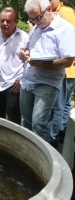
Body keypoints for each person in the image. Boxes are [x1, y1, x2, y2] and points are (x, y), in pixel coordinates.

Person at [19, 0, 75, 142]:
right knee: (27, 121)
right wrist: (24, 54)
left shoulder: (65, 29)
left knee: (39, 123)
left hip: (47, 82)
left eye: (38, 17)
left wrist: (42, 64)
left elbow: (68, 60)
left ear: (49, 9)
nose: (35, 22)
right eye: (32, 19)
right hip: (28, 80)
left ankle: (43, 158)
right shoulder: (36, 29)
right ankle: (28, 153)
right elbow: (28, 48)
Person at [0, 7, 29, 125]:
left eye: (8, 21)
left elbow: (28, 62)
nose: (4, 24)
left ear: (16, 22)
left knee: (13, 116)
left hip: (13, 84)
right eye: (2, 20)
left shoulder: (24, 37)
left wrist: (22, 80)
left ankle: (15, 142)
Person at [49, 0, 75, 148]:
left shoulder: (64, 12)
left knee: (58, 106)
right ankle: (61, 135)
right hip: (70, 69)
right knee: (65, 105)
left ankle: (52, 139)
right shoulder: (68, 11)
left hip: (65, 68)